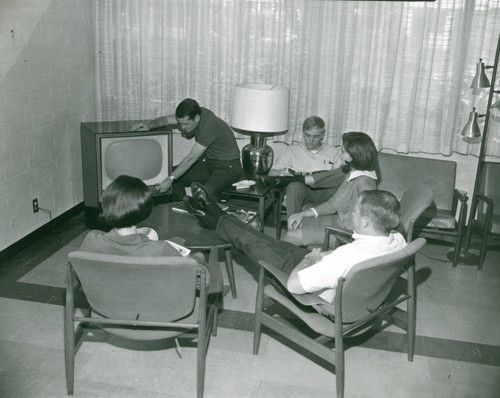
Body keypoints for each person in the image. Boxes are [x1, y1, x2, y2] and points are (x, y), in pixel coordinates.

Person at [183, 186, 406, 303]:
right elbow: (349, 260)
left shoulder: (347, 255)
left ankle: (210, 213)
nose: (351, 213)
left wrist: (310, 259)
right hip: (323, 271)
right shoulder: (397, 240)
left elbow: (293, 286)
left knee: (248, 241)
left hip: (303, 284)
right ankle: (212, 213)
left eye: (355, 211)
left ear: (366, 222)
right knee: (264, 238)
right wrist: (324, 255)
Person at [79, 175, 224, 294]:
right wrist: (199, 260)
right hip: (161, 320)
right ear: (144, 210)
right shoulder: (161, 249)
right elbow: (200, 282)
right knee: (203, 258)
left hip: (107, 312)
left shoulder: (91, 239)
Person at [131, 98, 243, 201]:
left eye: (185, 124)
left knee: (204, 193)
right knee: (170, 175)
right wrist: (149, 125)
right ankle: (182, 205)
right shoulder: (194, 113)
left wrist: (170, 179)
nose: (182, 127)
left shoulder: (210, 124)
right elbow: (165, 120)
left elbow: (191, 158)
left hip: (229, 167)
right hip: (210, 164)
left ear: (197, 118)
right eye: (180, 123)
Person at [284, 131, 379, 247]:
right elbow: (332, 204)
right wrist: (303, 214)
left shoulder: (365, 183)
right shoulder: (353, 173)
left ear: (351, 157)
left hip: (348, 235)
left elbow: (368, 224)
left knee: (291, 235)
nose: (340, 154)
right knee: (297, 224)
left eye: (342, 151)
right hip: (342, 222)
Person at [263, 116, 343, 219]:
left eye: (315, 136)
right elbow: (271, 173)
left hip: (325, 193)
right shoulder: (291, 151)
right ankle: (293, 225)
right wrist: (281, 172)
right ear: (303, 134)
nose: (311, 140)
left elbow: (339, 176)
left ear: (322, 135)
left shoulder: (333, 152)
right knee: (294, 186)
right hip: (303, 193)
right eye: (308, 135)